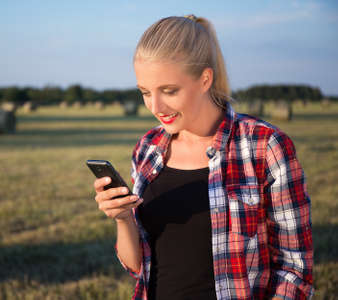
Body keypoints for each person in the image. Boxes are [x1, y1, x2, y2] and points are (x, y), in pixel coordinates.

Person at [93, 15, 314, 300]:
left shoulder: (264, 146)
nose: (155, 106)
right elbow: (138, 268)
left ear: (205, 79)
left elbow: (295, 271)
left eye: (169, 91)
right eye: (145, 92)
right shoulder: (147, 148)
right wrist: (123, 218)